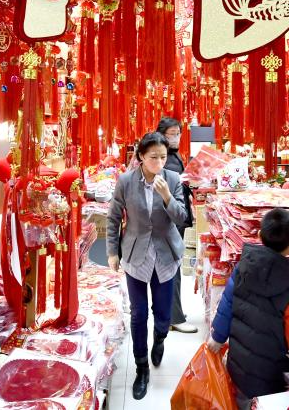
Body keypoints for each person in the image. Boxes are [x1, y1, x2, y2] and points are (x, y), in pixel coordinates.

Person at [106, 132, 188, 400]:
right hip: (136, 253)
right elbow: (114, 217)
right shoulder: (126, 181)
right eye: (153, 157)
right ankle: (141, 367)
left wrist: (167, 196)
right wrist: (112, 252)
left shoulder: (173, 179)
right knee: (138, 313)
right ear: (141, 156)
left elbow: (182, 217)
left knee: (162, 312)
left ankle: (160, 337)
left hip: (165, 253)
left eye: (163, 157)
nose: (159, 163)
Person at [207, 208, 289, 410]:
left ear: (260, 235)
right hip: (273, 379)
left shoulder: (242, 267)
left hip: (239, 367)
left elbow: (227, 304)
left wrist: (218, 337)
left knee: (240, 402)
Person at [155, 116, 197, 334]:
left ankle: (171, 312)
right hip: (168, 219)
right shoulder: (161, 158)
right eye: (172, 134)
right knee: (171, 268)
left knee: (172, 266)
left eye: (178, 133)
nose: (176, 138)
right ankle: (174, 317)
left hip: (176, 217)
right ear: (162, 135)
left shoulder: (174, 155)